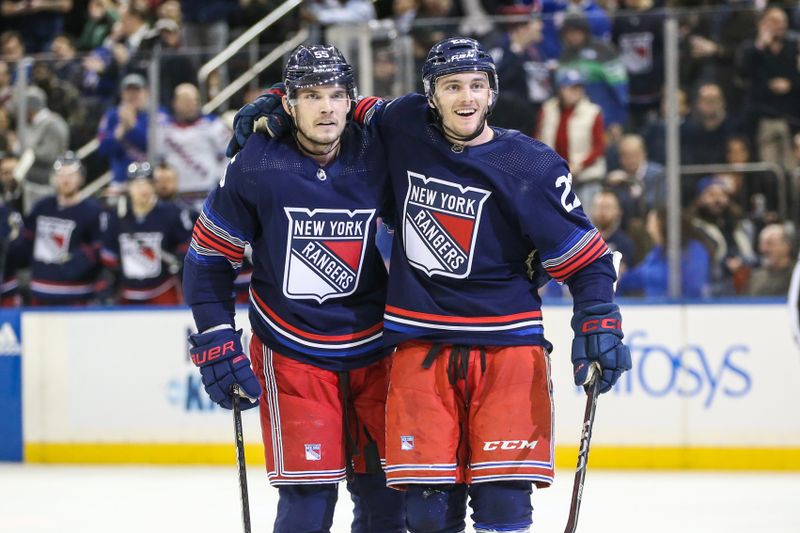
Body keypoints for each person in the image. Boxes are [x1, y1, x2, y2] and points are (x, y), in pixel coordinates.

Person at [231, 37, 632, 533]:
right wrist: (278, 99)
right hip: (421, 348)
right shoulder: (402, 124)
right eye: (453, 86)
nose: (466, 98)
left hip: (507, 346)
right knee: (422, 512)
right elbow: (341, 101)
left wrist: (598, 320)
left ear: (492, 93)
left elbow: (588, 258)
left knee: (503, 504)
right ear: (431, 95)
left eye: (477, 86)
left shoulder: (531, 165)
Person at [182, 45, 404, 533]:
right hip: (291, 350)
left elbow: (444, 135)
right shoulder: (255, 163)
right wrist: (217, 335)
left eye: (336, 95)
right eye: (311, 95)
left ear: (351, 100)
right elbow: (208, 259)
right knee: (307, 502)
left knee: (387, 501)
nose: (326, 107)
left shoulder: (379, 151)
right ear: (287, 103)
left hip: (376, 347)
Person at [7, 152, 103, 305]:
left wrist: (85, 258)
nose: (66, 180)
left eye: (71, 175)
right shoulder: (42, 207)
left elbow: (100, 251)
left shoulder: (92, 211)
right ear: (54, 178)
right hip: (40, 294)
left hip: (77, 298)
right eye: (61, 175)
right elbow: (26, 245)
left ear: (81, 178)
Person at [100, 161, 193, 305]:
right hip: (127, 294)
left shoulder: (172, 214)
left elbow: (188, 249)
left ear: (154, 186)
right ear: (129, 188)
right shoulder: (116, 219)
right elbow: (109, 259)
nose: (142, 189)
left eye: (147, 184)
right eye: (137, 184)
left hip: (163, 291)